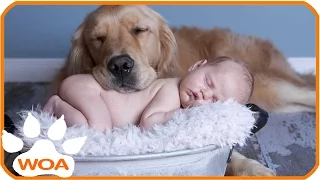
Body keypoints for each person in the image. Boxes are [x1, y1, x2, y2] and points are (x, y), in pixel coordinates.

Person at [43, 56, 254, 132]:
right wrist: (187, 114)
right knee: (99, 128)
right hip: (88, 88)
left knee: (85, 124)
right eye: (208, 81)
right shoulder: (171, 90)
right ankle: (55, 105)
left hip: (87, 93)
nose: (203, 93)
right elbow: (149, 122)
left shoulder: (182, 96)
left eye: (214, 100)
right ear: (197, 66)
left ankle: (60, 108)